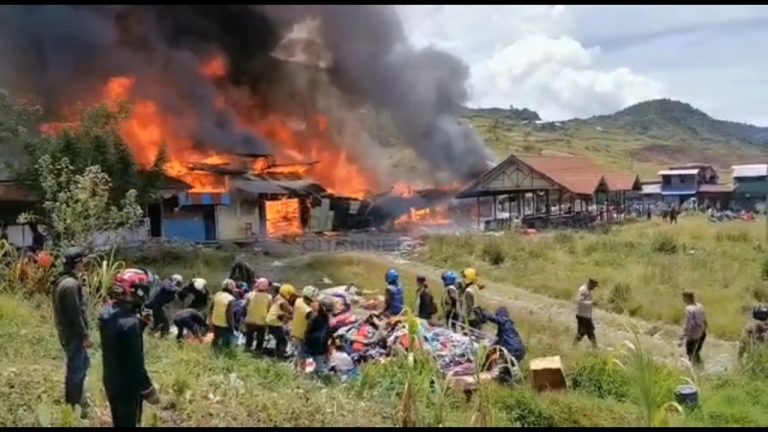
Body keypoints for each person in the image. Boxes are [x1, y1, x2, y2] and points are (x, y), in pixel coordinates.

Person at [99, 270, 160, 427]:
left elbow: (119, 340)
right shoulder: (130, 324)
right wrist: (148, 390)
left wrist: (140, 325)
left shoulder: (106, 313)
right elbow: (136, 365)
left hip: (111, 380)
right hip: (128, 386)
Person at [52, 247, 92, 418]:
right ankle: (73, 405)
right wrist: (84, 336)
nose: (84, 264)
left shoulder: (64, 281)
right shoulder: (70, 285)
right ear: (77, 263)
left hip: (69, 333)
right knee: (76, 369)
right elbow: (74, 314)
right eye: (82, 261)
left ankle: (75, 400)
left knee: (82, 365)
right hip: (74, 335)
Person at [479, 306, 526, 384]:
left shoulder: (505, 321)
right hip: (520, 350)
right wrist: (490, 348)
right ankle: (510, 381)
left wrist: (486, 314)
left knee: (505, 371)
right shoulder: (508, 328)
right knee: (508, 369)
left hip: (513, 350)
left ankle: (508, 383)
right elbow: (498, 341)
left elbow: (496, 319)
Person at [265, 283, 297, 359]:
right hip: (274, 323)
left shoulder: (277, 297)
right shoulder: (283, 302)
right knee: (283, 341)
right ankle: (279, 357)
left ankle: (278, 352)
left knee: (279, 338)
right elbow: (291, 311)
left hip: (270, 322)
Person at [305, 297, 334, 378]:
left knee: (317, 364)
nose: (329, 313)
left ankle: (314, 376)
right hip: (316, 345)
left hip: (320, 346)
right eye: (328, 310)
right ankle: (316, 378)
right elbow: (308, 332)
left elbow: (327, 331)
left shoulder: (323, 317)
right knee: (315, 365)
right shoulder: (315, 317)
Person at [292, 285, 318, 372]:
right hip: (302, 336)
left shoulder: (298, 301)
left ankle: (294, 369)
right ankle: (300, 373)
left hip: (295, 331)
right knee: (302, 355)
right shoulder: (307, 311)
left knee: (298, 353)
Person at [244, 278, 272, 353]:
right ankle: (258, 351)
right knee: (260, 338)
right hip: (261, 322)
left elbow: (245, 305)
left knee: (249, 337)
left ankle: (247, 349)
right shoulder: (269, 297)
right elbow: (269, 309)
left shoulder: (250, 294)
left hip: (250, 320)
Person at [679, 291, 707, 367]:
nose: (683, 299)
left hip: (693, 335)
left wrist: (682, 337)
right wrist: (703, 331)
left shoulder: (689, 309)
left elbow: (688, 325)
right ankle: (701, 368)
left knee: (691, 354)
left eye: (684, 297)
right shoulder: (700, 306)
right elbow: (705, 321)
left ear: (687, 298)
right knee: (697, 352)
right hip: (702, 334)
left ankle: (695, 372)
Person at [209, 279, 237, 353]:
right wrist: (232, 327)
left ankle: (212, 354)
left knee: (215, 340)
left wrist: (210, 321)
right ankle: (224, 358)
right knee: (226, 345)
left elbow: (211, 308)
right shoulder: (231, 299)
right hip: (224, 325)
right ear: (231, 289)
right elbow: (229, 316)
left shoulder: (217, 294)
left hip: (215, 323)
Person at [573, 278, 599, 348]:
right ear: (590, 283)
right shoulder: (582, 290)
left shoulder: (589, 291)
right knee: (583, 332)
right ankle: (574, 347)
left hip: (587, 316)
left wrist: (593, 303)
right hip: (582, 316)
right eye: (593, 286)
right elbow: (579, 301)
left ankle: (595, 348)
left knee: (589, 331)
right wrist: (591, 303)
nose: (594, 288)